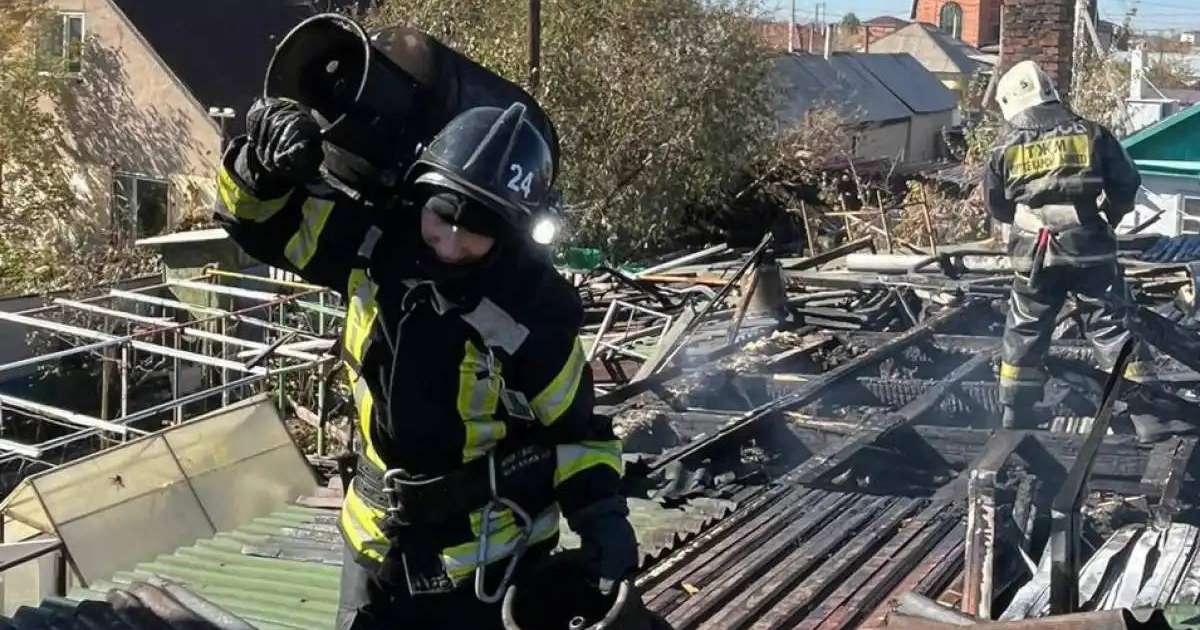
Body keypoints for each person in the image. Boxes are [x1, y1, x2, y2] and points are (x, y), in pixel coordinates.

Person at [215, 97, 636, 629]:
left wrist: (603, 522)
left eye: (477, 228)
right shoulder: (373, 244)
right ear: (421, 196)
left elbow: (577, 433)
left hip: (491, 568)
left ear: (510, 230)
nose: (451, 244)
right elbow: (250, 218)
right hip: (374, 545)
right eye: (441, 217)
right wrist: (262, 166)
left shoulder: (535, 311)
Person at [985, 60, 1151, 429]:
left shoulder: (1004, 144)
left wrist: (1025, 225)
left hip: (1033, 252)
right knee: (1111, 323)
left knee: (1026, 327)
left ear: (1010, 101)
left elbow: (997, 205)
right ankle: (1148, 417)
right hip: (1089, 244)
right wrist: (1111, 216)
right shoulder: (1093, 133)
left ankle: (1016, 413)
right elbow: (1126, 182)